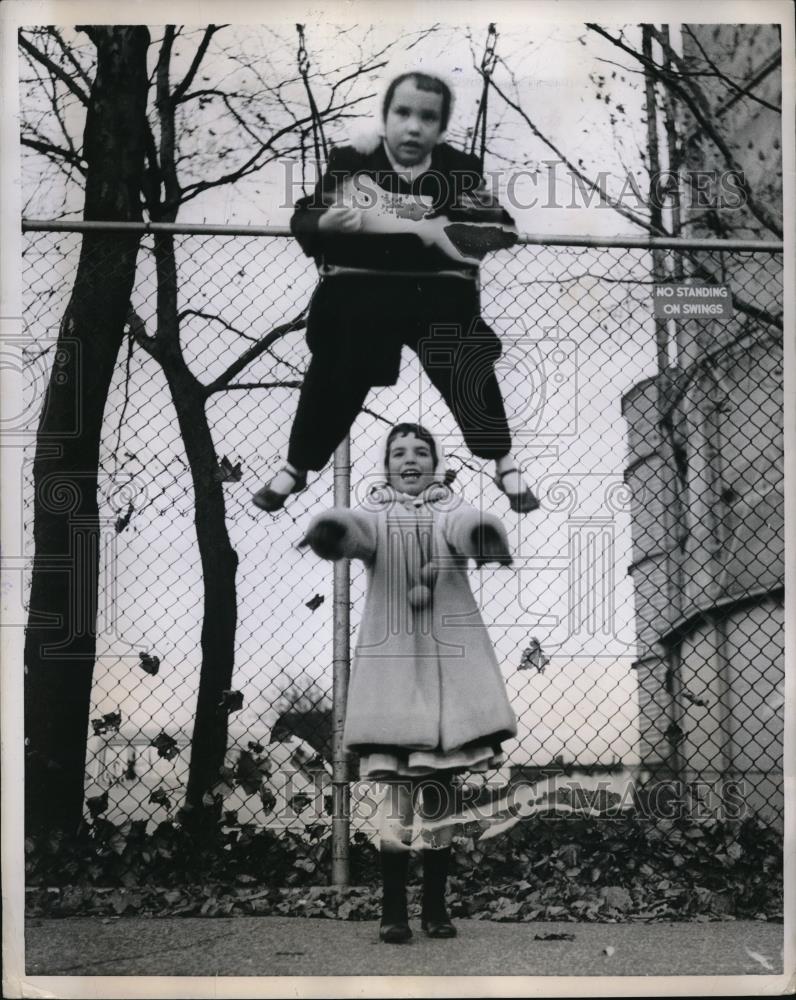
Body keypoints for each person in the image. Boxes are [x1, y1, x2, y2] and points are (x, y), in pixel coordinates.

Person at [252, 64, 539, 515]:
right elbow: (305, 216)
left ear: (441, 129)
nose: (412, 127)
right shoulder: (351, 162)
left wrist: (439, 228)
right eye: (402, 113)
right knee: (335, 370)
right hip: (362, 302)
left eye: (427, 118)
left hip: (436, 301)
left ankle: (504, 463)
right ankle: (296, 467)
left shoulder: (460, 170)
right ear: (384, 119)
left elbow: (501, 231)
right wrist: (328, 222)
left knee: (467, 360)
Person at [299, 422, 518, 943]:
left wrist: (482, 534)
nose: (411, 460)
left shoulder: (446, 509)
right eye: (400, 453)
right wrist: (333, 530)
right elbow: (357, 529)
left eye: (422, 452)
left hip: (445, 688)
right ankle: (393, 911)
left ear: (436, 464)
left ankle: (437, 909)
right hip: (396, 683)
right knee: (396, 799)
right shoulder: (378, 512)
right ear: (388, 465)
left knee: (440, 798)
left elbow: (463, 523)